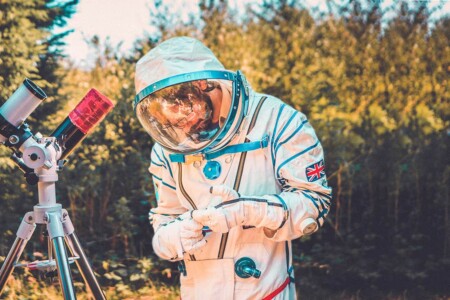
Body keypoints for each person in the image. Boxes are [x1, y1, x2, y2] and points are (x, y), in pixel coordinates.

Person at [134, 36, 332, 299]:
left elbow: (313, 202)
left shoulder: (277, 120)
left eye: (184, 112)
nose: (182, 126)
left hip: (265, 290)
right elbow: (165, 221)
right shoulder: (167, 149)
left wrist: (249, 211)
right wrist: (177, 235)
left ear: (203, 84)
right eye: (170, 121)